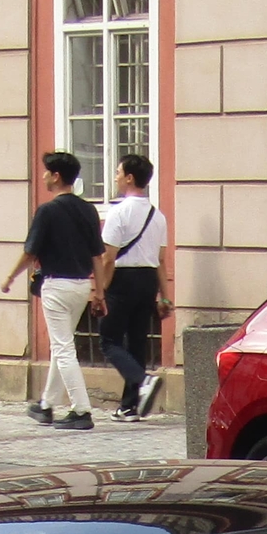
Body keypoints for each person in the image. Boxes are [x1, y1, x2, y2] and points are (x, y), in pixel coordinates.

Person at [0, 152, 101, 431]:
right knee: (63, 343)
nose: (43, 176)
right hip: (82, 284)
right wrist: (99, 291)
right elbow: (97, 256)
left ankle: (81, 409)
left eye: (46, 172)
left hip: (57, 284)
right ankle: (46, 404)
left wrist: (10, 276)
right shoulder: (88, 210)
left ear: (56, 176)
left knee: (63, 347)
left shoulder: (47, 211)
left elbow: (30, 252)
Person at [90, 154, 170, 420]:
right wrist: (165, 296)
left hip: (122, 280)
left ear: (129, 178)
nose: (115, 177)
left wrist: (100, 290)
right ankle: (129, 405)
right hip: (147, 280)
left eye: (117, 172)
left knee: (109, 340)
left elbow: (108, 257)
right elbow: (161, 260)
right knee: (137, 341)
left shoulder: (118, 212)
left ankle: (143, 380)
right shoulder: (157, 216)